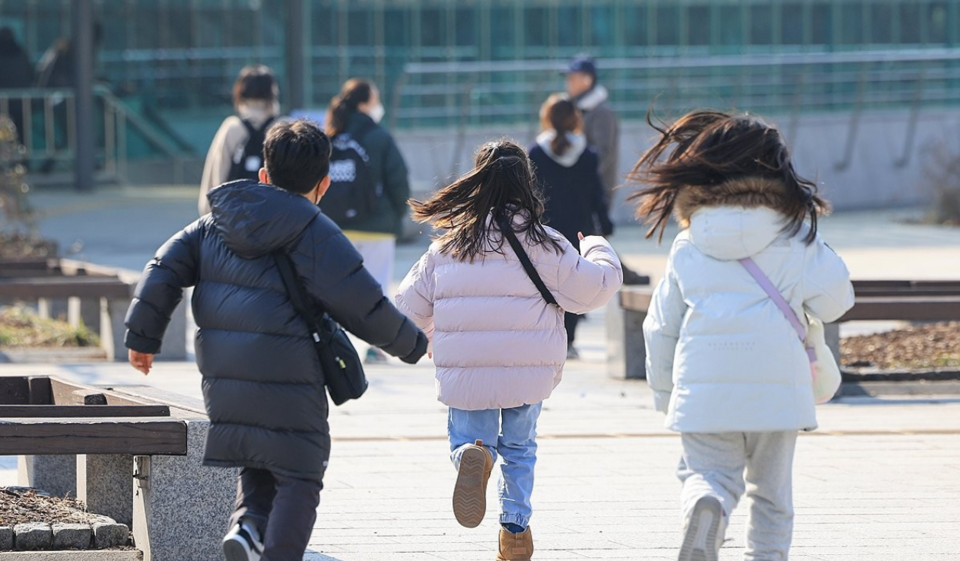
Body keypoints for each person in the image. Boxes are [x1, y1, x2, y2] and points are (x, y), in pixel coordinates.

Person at [124, 119, 428, 561]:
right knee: (301, 472)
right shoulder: (316, 232)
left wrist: (142, 337)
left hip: (225, 375)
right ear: (324, 185)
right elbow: (362, 302)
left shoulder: (213, 223)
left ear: (264, 175)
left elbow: (162, 268)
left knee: (259, 457)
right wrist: (413, 345)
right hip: (290, 373)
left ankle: (247, 529)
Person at [630, 110, 855, 561]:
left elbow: (659, 326)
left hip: (705, 386)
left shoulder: (688, 243)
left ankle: (707, 503)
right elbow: (837, 302)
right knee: (772, 498)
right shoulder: (796, 237)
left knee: (706, 475)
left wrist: (665, 394)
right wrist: (814, 239)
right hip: (778, 387)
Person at [396, 140, 622, 561]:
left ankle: (472, 455)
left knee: (469, 438)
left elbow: (406, 311)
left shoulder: (447, 247)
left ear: (477, 182)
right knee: (520, 448)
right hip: (527, 371)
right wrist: (596, 246)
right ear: (526, 183)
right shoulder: (547, 244)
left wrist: (431, 334)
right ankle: (515, 531)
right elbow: (597, 289)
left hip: (468, 372)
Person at [324, 78, 410, 364]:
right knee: (377, 289)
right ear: (363, 104)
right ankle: (377, 347)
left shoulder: (333, 135)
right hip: (377, 228)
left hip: (336, 228)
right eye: (375, 100)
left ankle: (334, 344)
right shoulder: (380, 137)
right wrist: (395, 215)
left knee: (337, 289)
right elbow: (398, 181)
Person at [528, 94, 613, 360]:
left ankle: (545, 337)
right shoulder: (587, 155)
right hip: (579, 230)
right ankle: (569, 341)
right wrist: (604, 224)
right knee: (574, 284)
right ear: (575, 120)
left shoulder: (535, 153)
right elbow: (597, 195)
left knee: (542, 285)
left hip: (544, 230)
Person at [564, 55, 647, 286]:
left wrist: (586, 183)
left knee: (590, 237)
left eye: (573, 78)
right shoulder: (582, 110)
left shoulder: (601, 113)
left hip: (595, 187)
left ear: (587, 80)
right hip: (586, 186)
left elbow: (603, 152)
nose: (568, 83)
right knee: (588, 236)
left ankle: (621, 276)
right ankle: (623, 275)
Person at [199, 65, 281, 215]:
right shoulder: (283, 128)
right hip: (276, 218)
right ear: (273, 92)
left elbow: (215, 178)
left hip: (235, 220)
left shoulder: (232, 128)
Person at [0, 27, 35, 145]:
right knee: (21, 135)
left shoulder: (19, 55)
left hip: (5, 103)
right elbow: (30, 75)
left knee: (6, 136)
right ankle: (23, 160)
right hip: (20, 103)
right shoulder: (21, 54)